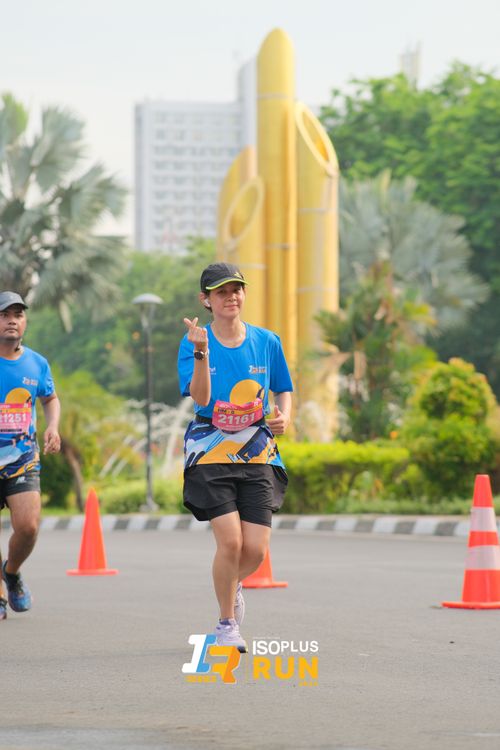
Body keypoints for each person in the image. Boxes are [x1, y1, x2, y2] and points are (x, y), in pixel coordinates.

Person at [178, 262, 293, 653]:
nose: (231, 297)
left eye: (236, 290)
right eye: (221, 292)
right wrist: (200, 352)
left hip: (257, 449)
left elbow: (283, 388)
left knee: (256, 550)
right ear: (206, 300)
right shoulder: (194, 342)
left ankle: (231, 584)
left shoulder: (267, 341)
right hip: (210, 448)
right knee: (230, 543)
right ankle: (227, 623)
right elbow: (201, 398)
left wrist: (284, 416)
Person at [0, 291, 61, 621]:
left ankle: (11, 572)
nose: (12, 320)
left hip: (22, 458)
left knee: (28, 527)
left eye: (18, 314)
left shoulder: (37, 363)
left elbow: (50, 398)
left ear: (25, 321)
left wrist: (53, 426)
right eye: (4, 314)